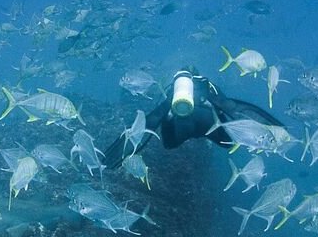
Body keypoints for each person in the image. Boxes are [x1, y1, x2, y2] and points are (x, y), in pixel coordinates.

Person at [103, 68, 287, 168]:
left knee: (168, 142)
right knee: (229, 143)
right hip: (208, 123)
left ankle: (171, 118)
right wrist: (276, 129)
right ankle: (214, 121)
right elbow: (235, 108)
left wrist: (112, 159)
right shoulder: (207, 88)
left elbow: (151, 121)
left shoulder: (171, 93)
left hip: (181, 129)